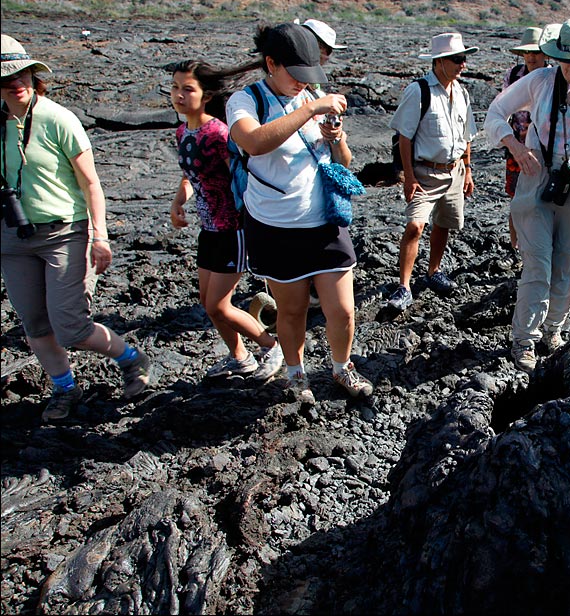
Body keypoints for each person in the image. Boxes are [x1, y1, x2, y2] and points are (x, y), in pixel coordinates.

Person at [0, 34, 153, 421]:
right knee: (35, 324)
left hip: (64, 234)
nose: (15, 83)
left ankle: (131, 358)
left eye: (21, 74)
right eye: (5, 78)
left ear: (34, 75)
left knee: (70, 326)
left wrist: (100, 236)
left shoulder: (58, 119)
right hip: (13, 237)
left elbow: (90, 184)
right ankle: (65, 387)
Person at [224, 22, 373, 401]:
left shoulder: (312, 96)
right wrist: (309, 110)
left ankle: (342, 367)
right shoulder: (246, 101)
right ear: (271, 63)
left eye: (308, 75)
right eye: (295, 74)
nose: (302, 83)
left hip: (324, 222)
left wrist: (336, 139)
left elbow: (343, 161)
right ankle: (296, 375)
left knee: (343, 310)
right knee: (291, 312)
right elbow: (254, 142)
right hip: (275, 227)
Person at [484, 19, 570, 372]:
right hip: (539, 175)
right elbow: (495, 113)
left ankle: (553, 329)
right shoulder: (540, 81)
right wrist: (516, 147)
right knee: (539, 263)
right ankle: (524, 340)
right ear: (558, 56)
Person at [167, 59, 281, 380]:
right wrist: (178, 202)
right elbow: (191, 176)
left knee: (219, 305)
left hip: (233, 229)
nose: (179, 94)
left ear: (206, 96)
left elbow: (244, 173)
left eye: (187, 89)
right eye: (175, 87)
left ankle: (272, 346)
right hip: (209, 229)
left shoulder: (219, 133)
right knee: (208, 302)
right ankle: (240, 357)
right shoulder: (183, 132)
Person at [385, 32, 477, 311]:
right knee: (415, 225)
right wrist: (409, 176)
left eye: (463, 58)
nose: (463, 64)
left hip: (454, 171)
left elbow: (466, 136)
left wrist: (468, 170)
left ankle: (433, 271)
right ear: (439, 61)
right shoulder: (419, 91)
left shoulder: (461, 93)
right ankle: (404, 286)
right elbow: (405, 137)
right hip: (425, 172)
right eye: (457, 59)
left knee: (444, 223)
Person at [501, 26, 548, 249]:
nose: (531, 57)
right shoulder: (513, 76)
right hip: (516, 150)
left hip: (545, 151)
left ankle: (537, 246)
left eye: (536, 52)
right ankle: (516, 246)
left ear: (545, 54)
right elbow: (502, 108)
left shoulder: (553, 77)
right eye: (527, 52)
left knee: (543, 200)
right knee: (517, 200)